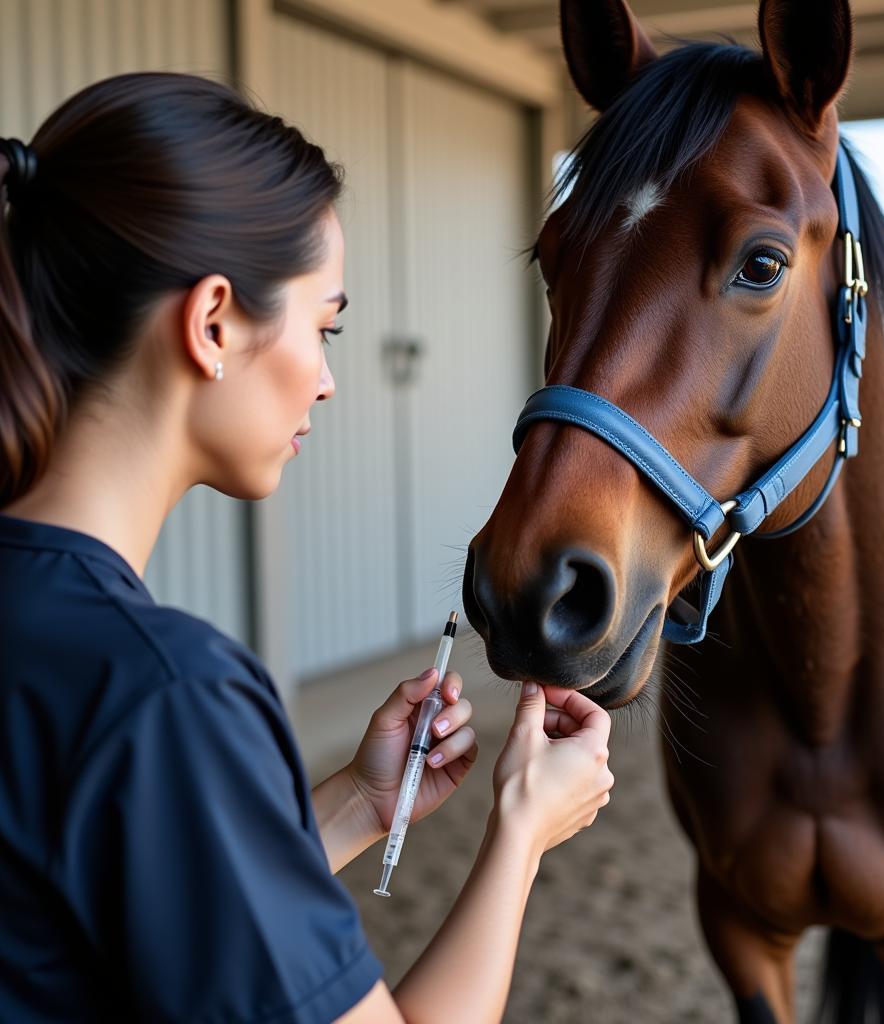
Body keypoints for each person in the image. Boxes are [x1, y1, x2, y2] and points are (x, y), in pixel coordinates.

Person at [0, 73, 614, 1024]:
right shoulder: (165, 693)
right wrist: (522, 832)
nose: (327, 382)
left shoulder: (58, 641)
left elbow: (125, 900)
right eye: (325, 326)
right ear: (211, 324)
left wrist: (361, 806)